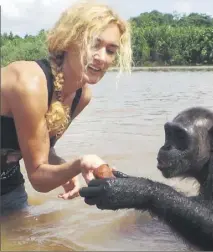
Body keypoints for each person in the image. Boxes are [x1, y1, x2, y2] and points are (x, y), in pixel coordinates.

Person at [0, 0, 132, 216]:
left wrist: (63, 166)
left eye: (110, 50)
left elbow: (42, 149)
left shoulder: (81, 95)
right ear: (68, 41)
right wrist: (78, 164)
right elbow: (39, 180)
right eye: (93, 44)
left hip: (7, 183)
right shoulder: (30, 83)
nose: (101, 58)